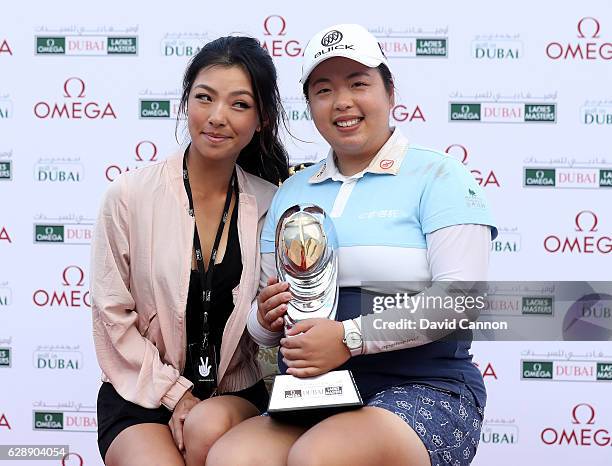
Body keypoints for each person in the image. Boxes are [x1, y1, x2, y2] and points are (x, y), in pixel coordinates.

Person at [206, 24, 497, 466]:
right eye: (324, 90)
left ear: (389, 91)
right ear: (311, 106)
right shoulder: (292, 191)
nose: (342, 101)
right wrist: (265, 317)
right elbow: (265, 325)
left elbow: (461, 300)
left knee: (319, 456)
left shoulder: (440, 177)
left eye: (358, 83)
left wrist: (349, 337)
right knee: (233, 458)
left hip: (422, 386)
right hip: (311, 394)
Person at [91, 36, 289, 466]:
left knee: (208, 429)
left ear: (262, 120)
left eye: (239, 104)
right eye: (204, 98)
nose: (217, 117)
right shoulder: (130, 196)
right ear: (185, 103)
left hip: (233, 394)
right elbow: (112, 317)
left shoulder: (273, 204)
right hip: (140, 393)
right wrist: (176, 395)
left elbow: (268, 323)